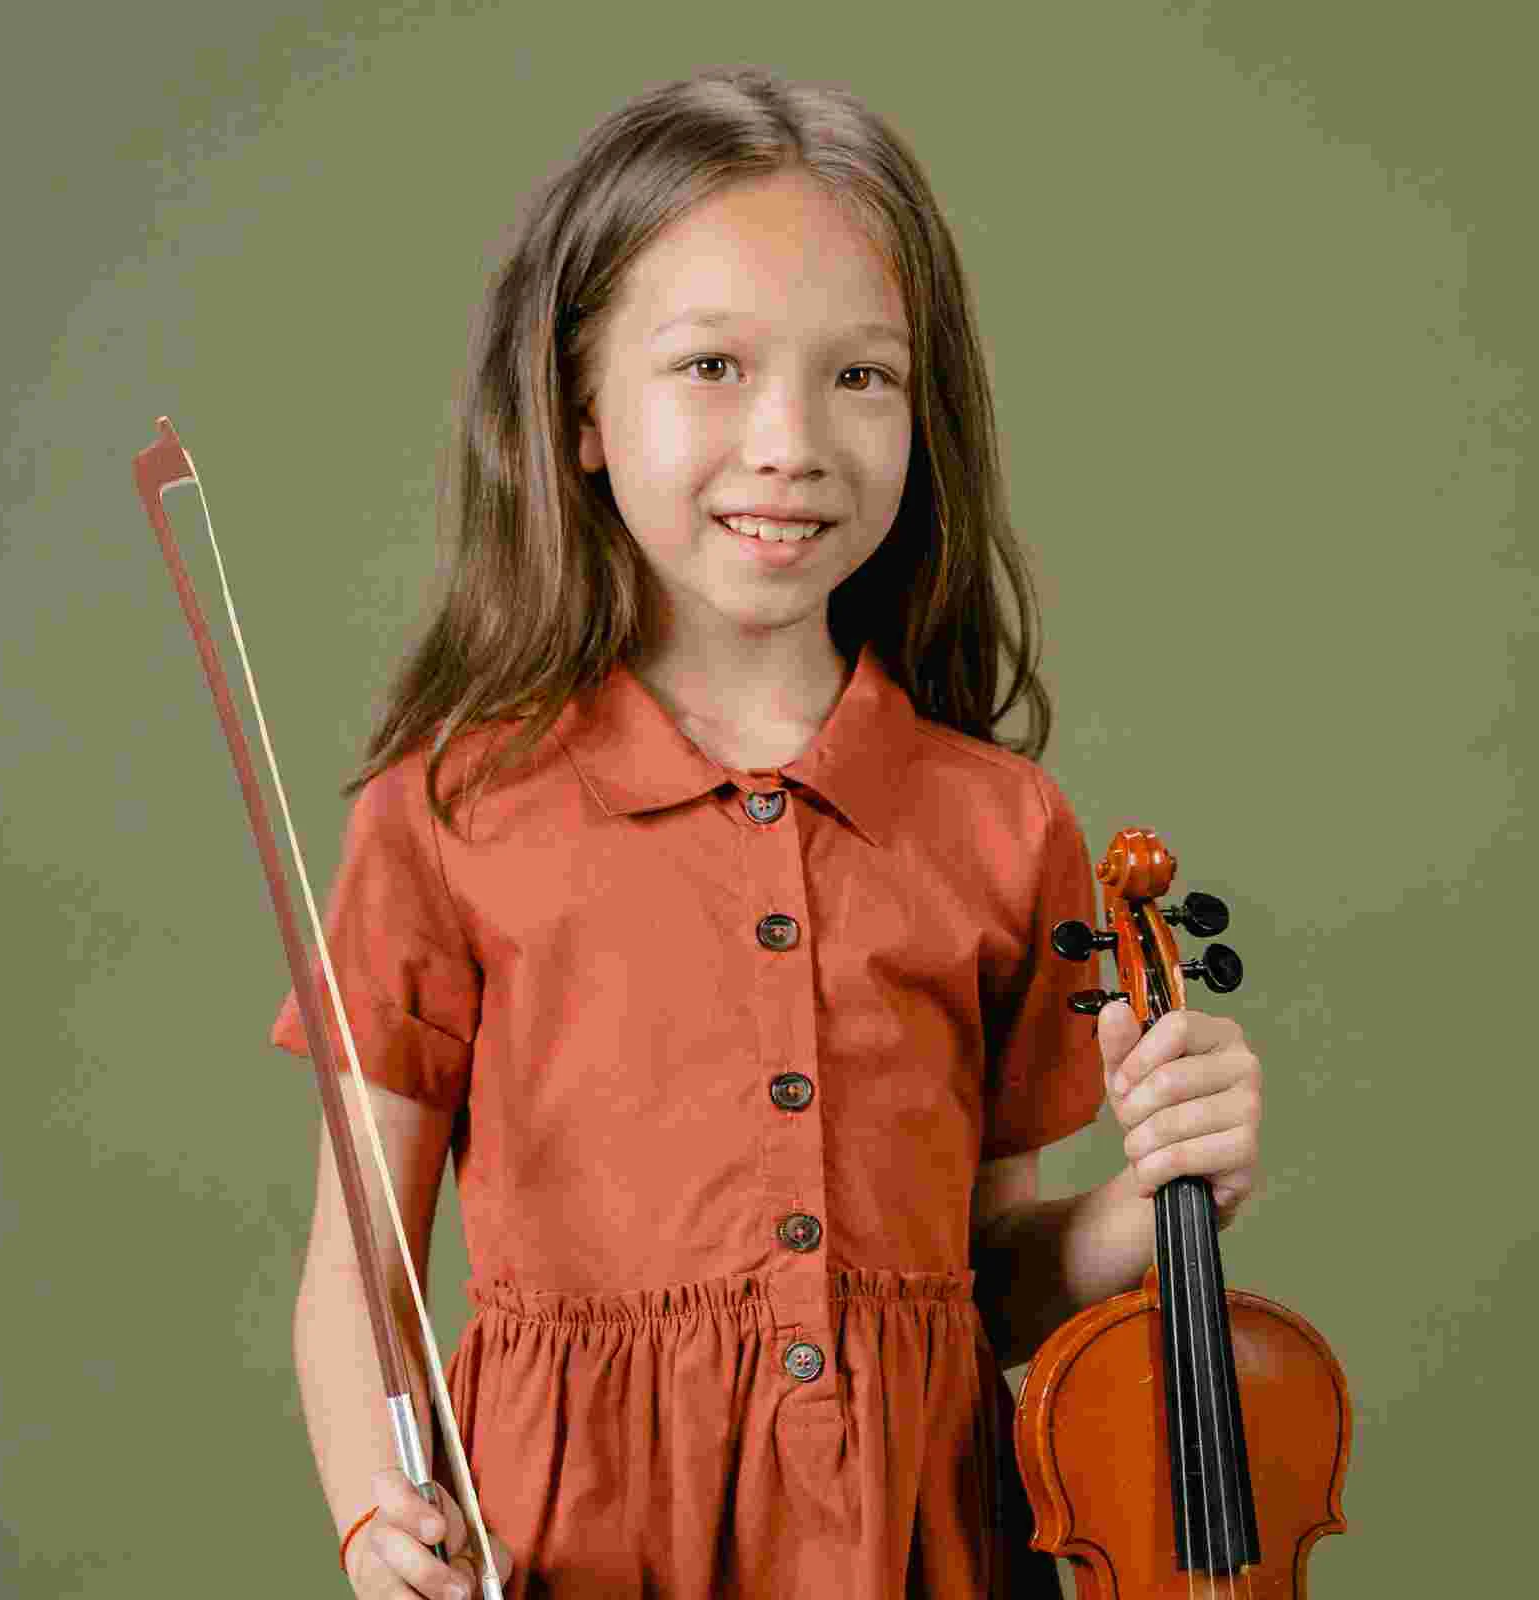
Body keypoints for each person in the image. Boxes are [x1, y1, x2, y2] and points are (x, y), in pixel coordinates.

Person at [273, 66, 1263, 1600]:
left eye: (860, 377)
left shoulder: (1002, 827)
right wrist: (370, 1510)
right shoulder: (452, 813)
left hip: (920, 1551)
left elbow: (988, 1288)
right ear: (582, 412)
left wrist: (1139, 1215)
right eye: (714, 366)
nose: (790, 439)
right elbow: (359, 1279)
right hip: (567, 1552)